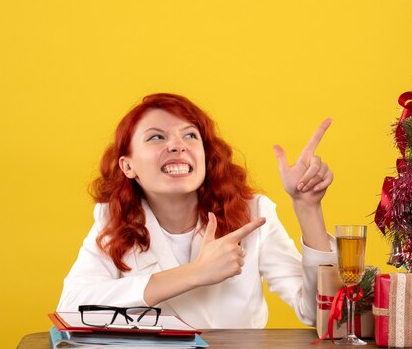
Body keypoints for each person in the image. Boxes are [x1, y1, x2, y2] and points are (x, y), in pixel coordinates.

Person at [57, 93, 337, 328]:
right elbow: (70, 309)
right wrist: (195, 274)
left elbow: (318, 313)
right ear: (128, 166)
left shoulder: (253, 213)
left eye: (190, 135)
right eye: (156, 137)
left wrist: (307, 206)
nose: (178, 145)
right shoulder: (112, 219)